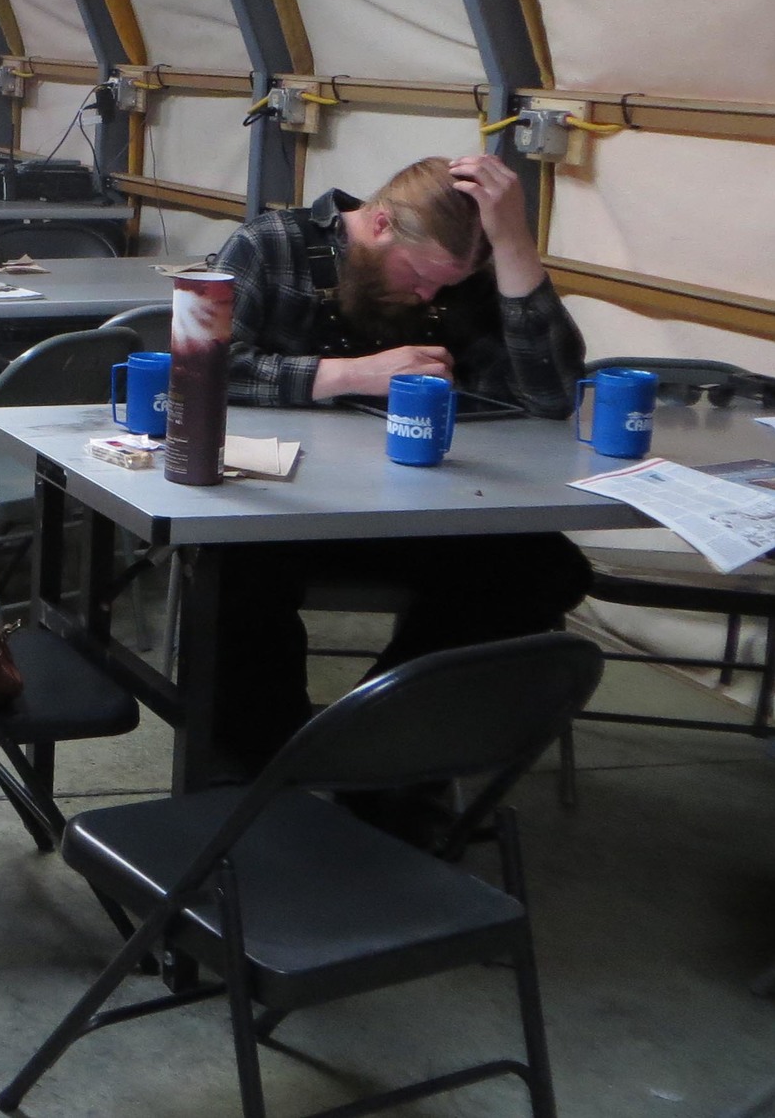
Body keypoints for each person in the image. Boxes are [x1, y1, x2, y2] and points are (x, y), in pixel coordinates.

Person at [206, 153, 591, 781]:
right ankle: (265, 773)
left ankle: (382, 749)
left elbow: (551, 395)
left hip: (418, 509)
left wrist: (514, 241)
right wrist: (353, 375)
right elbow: (206, 367)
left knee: (543, 570)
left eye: (443, 285)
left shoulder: (458, 279)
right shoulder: (269, 247)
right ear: (380, 225)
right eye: (420, 276)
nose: (427, 296)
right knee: (230, 573)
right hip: (283, 511)